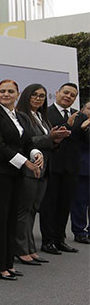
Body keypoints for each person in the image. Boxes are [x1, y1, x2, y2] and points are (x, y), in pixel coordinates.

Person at [0, 79, 43, 280]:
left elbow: (27, 142)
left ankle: (8, 263)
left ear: (18, 94)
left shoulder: (21, 117)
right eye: (2, 91)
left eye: (10, 91)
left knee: (12, 219)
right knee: (0, 219)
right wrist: (26, 163)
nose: (5, 94)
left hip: (14, 173)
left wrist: (34, 153)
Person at [14, 84, 69, 265]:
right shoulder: (21, 115)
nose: (38, 99)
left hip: (44, 168)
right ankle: (21, 250)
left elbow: (45, 142)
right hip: (29, 169)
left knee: (32, 210)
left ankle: (30, 248)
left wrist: (56, 140)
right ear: (27, 96)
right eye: (35, 95)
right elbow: (28, 141)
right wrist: (50, 138)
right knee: (24, 210)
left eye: (42, 96)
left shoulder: (41, 117)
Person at [41, 83, 89, 254]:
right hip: (52, 166)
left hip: (72, 168)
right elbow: (51, 135)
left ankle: (59, 239)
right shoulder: (45, 112)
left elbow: (86, 141)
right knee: (49, 206)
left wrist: (86, 127)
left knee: (64, 206)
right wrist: (67, 124)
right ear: (57, 93)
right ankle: (47, 241)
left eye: (73, 95)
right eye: (66, 93)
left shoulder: (80, 115)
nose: (69, 96)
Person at [70, 101, 90, 244]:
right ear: (83, 109)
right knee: (79, 203)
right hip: (82, 169)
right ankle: (79, 231)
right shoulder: (77, 123)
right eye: (89, 108)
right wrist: (83, 128)